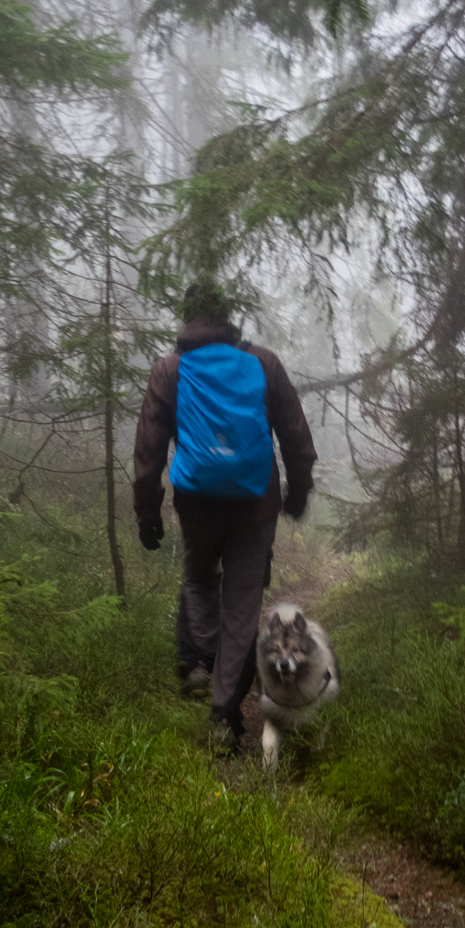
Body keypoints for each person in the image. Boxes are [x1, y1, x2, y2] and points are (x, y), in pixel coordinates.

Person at [133, 282, 317, 748]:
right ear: (227, 316)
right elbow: (296, 435)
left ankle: (204, 667)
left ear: (186, 317)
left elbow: (149, 452)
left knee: (198, 580)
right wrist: (298, 491)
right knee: (241, 605)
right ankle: (223, 714)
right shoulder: (263, 363)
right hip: (256, 504)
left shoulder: (169, 370)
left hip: (196, 503)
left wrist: (147, 512)